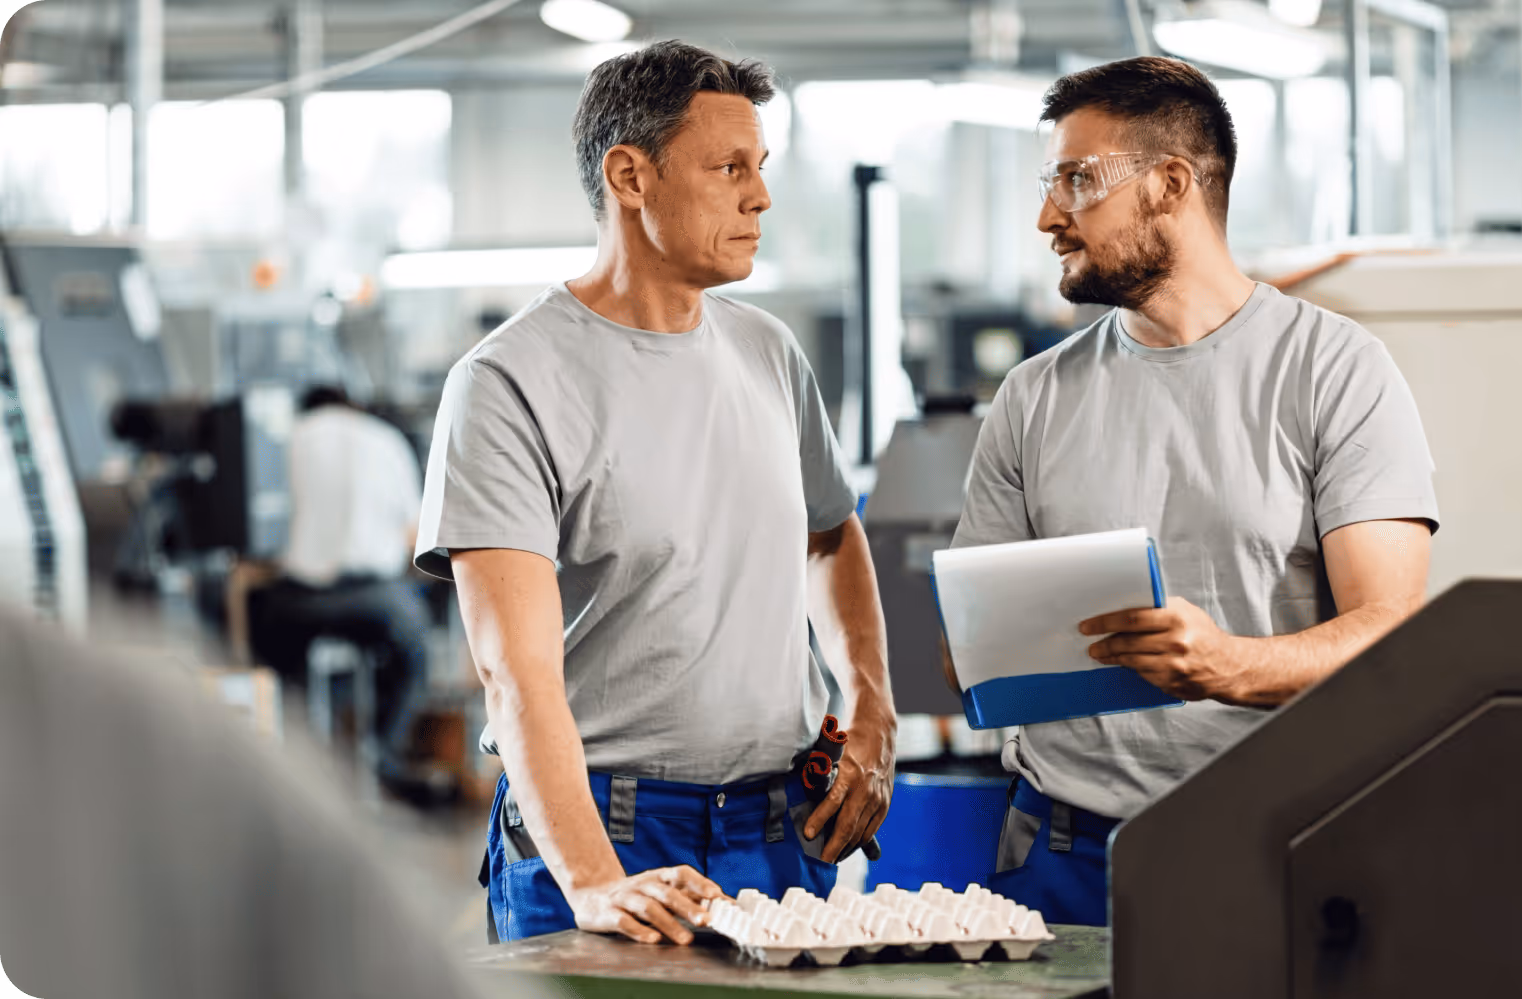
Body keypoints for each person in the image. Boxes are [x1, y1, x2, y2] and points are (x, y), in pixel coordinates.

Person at [415, 40, 897, 946]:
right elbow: (513, 671)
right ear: (630, 176)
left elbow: (831, 537)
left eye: (761, 169)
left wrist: (871, 710)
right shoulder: (509, 382)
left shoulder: (770, 355)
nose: (760, 196)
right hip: (607, 826)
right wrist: (595, 879)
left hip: (778, 828)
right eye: (729, 169)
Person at [948, 56, 1439, 926]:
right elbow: (970, 645)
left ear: (1169, 183)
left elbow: (1391, 634)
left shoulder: (1332, 369)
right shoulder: (1031, 395)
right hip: (1059, 853)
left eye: (1076, 180)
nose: (1047, 216)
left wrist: (1228, 665)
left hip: (1266, 843)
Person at [0, 609, 543, 999]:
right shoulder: (137, 736)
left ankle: (383, 760)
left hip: (287, 617)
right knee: (408, 637)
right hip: (357, 616)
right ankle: (386, 756)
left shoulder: (133, 739)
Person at [247, 384, 431, 789]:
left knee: (270, 650)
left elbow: (262, 531)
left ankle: (290, 757)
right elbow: (413, 535)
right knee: (414, 650)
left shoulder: (285, 438)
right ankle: (382, 755)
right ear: (352, 405)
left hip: (295, 601)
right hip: (373, 600)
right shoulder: (385, 440)